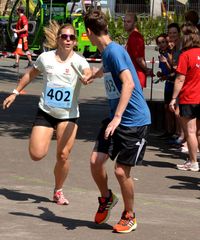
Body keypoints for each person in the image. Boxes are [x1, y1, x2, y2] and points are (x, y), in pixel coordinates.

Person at [3, 20, 92, 205]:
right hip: (46, 112)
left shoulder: (79, 61)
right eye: (64, 36)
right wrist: (15, 92)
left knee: (63, 155)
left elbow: (87, 72)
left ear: (75, 41)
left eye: (71, 37)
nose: (68, 40)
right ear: (58, 39)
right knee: (36, 154)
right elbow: (30, 74)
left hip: (68, 116)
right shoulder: (46, 58)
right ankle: (45, 135)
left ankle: (58, 190)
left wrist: (87, 77)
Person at [83, 10, 151, 233]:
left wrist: (119, 117)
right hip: (116, 119)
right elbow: (109, 68)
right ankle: (107, 199)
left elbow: (129, 84)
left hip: (134, 121)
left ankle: (129, 215)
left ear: (89, 32)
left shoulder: (113, 51)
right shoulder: (107, 51)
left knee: (121, 171)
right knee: (95, 161)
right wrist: (95, 74)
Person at [169, 23, 200, 172]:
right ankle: (194, 159)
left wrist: (174, 98)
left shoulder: (185, 55)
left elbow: (180, 79)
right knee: (199, 132)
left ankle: (193, 162)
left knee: (191, 132)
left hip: (190, 97)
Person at [124, 12, 152, 89]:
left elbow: (139, 59)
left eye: (129, 22)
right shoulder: (133, 36)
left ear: (135, 23)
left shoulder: (135, 37)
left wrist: (146, 70)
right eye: (124, 21)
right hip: (133, 77)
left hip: (136, 77)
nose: (125, 24)